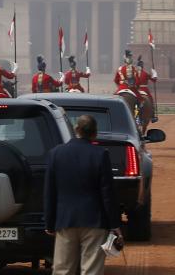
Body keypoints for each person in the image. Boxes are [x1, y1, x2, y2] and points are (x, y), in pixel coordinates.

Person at [44, 115, 121, 275]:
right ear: (95, 133)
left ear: (76, 130)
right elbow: (107, 193)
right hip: (95, 221)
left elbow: (50, 192)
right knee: (91, 270)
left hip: (65, 220)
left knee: (63, 269)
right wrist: (114, 224)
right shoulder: (100, 154)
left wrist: (49, 223)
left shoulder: (56, 153)